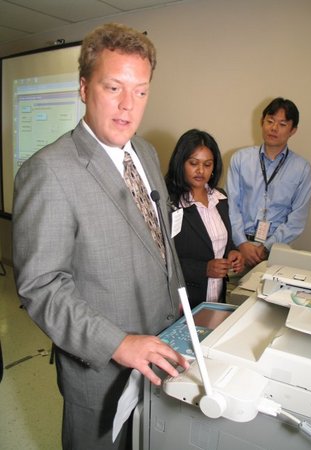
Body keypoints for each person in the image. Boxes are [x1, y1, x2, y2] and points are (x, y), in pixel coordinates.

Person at [12, 23, 189, 450]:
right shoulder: (48, 171)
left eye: (141, 91)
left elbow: (161, 246)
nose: (129, 106)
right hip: (102, 373)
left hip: (163, 353)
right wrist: (119, 343)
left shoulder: (145, 152)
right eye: (114, 88)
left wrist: (186, 321)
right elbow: (42, 286)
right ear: (83, 87)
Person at [226, 97, 311, 268]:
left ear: (293, 130)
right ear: (262, 122)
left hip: (276, 253)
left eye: (282, 124)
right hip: (238, 250)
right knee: (233, 294)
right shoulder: (240, 159)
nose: (274, 128)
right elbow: (231, 205)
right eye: (270, 121)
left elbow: (297, 219)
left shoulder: (302, 169)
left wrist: (266, 247)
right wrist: (242, 244)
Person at [165, 129, 244, 308]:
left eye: (207, 165)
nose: (201, 171)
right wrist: (203, 269)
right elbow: (162, 259)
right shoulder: (169, 203)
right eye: (194, 163)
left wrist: (232, 252)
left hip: (217, 297)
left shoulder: (220, 198)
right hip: (184, 302)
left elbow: (222, 240)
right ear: (181, 163)